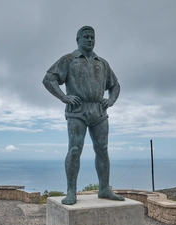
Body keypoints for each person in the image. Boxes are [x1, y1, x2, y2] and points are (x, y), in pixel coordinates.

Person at [43, 26, 125, 205]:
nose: (90, 40)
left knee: (102, 149)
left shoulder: (102, 62)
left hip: (99, 111)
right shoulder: (69, 59)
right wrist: (64, 97)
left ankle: (104, 188)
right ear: (77, 39)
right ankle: (71, 191)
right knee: (75, 149)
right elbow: (49, 79)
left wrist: (110, 101)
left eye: (92, 37)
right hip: (77, 111)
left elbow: (115, 85)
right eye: (86, 37)